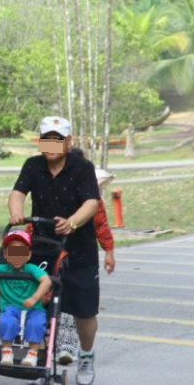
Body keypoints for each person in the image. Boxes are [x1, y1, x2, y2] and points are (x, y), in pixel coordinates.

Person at [8, 116, 100, 385]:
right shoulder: (32, 165)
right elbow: (17, 193)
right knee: (40, 305)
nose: (51, 144)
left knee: (84, 311)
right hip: (43, 248)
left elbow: (92, 203)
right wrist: (16, 212)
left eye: (57, 139)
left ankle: (86, 355)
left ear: (68, 142)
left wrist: (72, 222)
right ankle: (43, 361)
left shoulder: (83, 167)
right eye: (46, 139)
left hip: (80, 250)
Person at [55, 148, 116, 365]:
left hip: (82, 255)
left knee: (80, 308)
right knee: (56, 303)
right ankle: (59, 349)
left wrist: (109, 252)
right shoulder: (52, 188)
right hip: (54, 253)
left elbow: (102, 225)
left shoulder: (92, 197)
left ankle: (82, 353)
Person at [0, 230, 52, 367]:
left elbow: (46, 281)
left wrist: (34, 298)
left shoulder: (32, 269)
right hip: (10, 308)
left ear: (28, 255)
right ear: (5, 254)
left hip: (33, 308)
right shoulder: (2, 268)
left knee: (36, 324)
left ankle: (32, 354)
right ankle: (7, 351)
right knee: (6, 322)